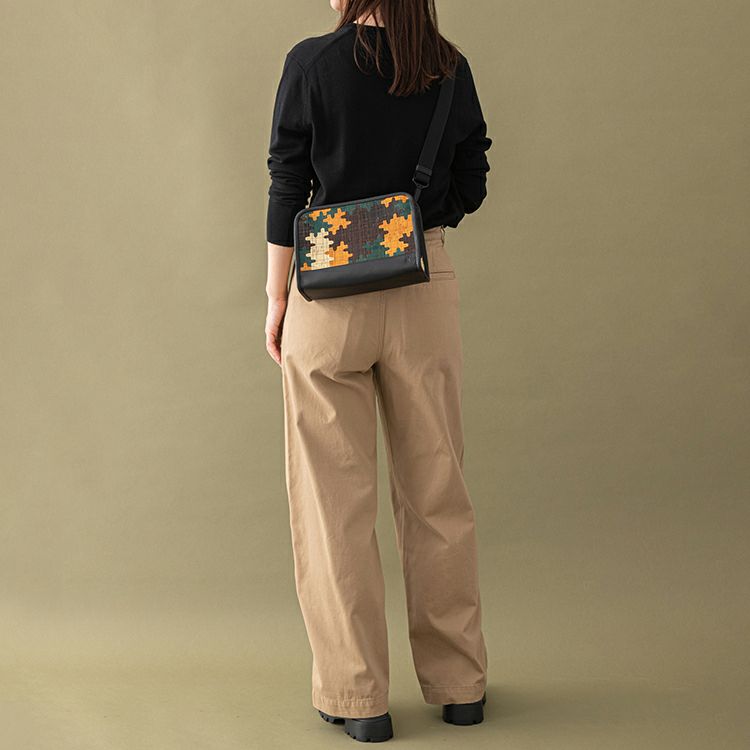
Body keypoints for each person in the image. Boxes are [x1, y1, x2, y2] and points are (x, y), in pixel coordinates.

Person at [264, 0, 492, 742]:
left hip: (326, 291)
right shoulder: (447, 65)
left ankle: (358, 699)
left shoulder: (311, 63)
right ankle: (459, 687)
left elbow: (287, 183)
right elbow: (473, 176)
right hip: (423, 281)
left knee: (333, 503)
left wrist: (276, 298)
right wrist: (416, 219)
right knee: (438, 490)